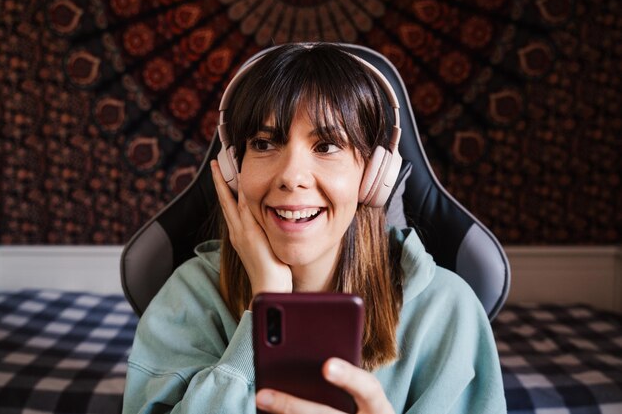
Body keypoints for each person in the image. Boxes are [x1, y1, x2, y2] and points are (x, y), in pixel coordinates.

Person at [122, 43, 506, 414]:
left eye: (326, 146)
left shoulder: (447, 310)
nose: (291, 177)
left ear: (374, 175)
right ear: (234, 169)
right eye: (264, 143)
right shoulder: (189, 298)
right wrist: (267, 309)